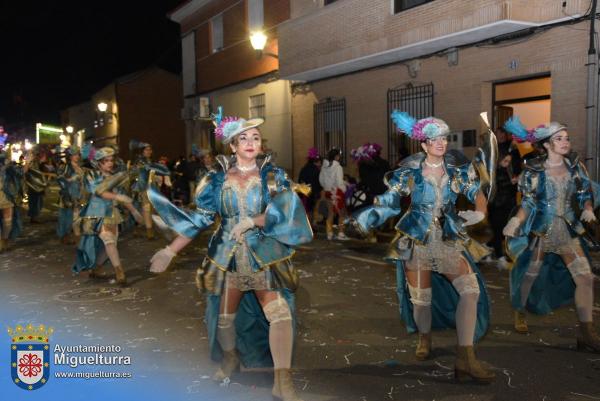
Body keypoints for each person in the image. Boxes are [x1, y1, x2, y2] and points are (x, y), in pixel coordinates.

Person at [148, 110, 312, 401]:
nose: (250, 142)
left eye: (255, 138)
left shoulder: (273, 176)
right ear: (233, 146)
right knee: (225, 319)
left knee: (280, 315)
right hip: (227, 258)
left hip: (263, 254)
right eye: (243, 138)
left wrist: (254, 221)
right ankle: (230, 358)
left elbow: (285, 211)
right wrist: (169, 250)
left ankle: (282, 380)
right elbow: (199, 219)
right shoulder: (214, 180)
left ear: (261, 145)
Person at [353, 111, 496, 383]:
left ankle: (465, 357)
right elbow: (389, 201)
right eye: (434, 139)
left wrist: (480, 212)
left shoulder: (458, 168)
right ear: (424, 145)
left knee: (470, 290)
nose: (441, 143)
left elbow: (476, 192)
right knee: (421, 304)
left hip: (448, 240)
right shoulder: (409, 172)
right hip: (416, 241)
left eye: (444, 137)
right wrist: (365, 219)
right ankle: (424, 336)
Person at [502, 117, 600, 352]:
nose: (565, 142)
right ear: (546, 144)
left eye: (567, 138)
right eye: (559, 139)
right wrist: (516, 220)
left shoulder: (575, 166)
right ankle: (520, 311)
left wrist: (587, 209)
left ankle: (586, 332)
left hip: (567, 231)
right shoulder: (533, 171)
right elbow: (528, 203)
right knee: (531, 274)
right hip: (543, 231)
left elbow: (585, 191)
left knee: (585, 278)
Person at [73, 147, 142, 286]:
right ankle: (119, 272)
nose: (110, 163)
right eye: (106, 161)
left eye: (111, 160)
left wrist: (134, 211)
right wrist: (118, 196)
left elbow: (125, 197)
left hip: (111, 213)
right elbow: (99, 192)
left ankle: (97, 268)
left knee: (110, 245)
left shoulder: (115, 177)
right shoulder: (91, 176)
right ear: (99, 163)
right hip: (95, 213)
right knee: (109, 240)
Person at [129, 141, 170, 240]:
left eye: (150, 149)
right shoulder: (140, 161)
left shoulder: (149, 161)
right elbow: (139, 173)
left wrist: (157, 177)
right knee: (146, 209)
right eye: (147, 149)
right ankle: (149, 233)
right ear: (142, 151)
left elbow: (152, 173)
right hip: (143, 188)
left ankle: (141, 229)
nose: (149, 151)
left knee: (150, 210)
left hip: (151, 188)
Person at [487, 147, 518, 267]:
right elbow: (499, 185)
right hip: (497, 205)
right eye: (505, 161)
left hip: (506, 205)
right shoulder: (494, 171)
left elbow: (510, 188)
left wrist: (514, 182)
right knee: (498, 230)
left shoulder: (506, 170)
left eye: (509, 161)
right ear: (499, 159)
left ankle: (489, 252)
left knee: (501, 231)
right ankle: (499, 255)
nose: (507, 164)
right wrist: (512, 182)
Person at [56, 146, 85, 245]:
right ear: (70, 156)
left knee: (77, 217)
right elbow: (60, 180)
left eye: (77, 154)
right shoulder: (65, 167)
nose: (76, 156)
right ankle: (67, 236)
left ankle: (76, 237)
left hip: (79, 195)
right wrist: (70, 180)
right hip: (68, 195)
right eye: (74, 155)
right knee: (67, 217)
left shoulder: (80, 167)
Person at [319, 148, 349, 240]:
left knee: (330, 213)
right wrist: (344, 188)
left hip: (328, 191)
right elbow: (339, 181)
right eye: (339, 156)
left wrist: (327, 187)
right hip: (337, 192)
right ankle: (341, 233)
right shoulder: (338, 167)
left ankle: (329, 233)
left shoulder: (324, 167)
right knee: (342, 214)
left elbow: (321, 180)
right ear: (336, 156)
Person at [0, 147, 22, 252]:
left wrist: (28, 161)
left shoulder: (9, 167)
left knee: (8, 221)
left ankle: (4, 240)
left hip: (6, 196)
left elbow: (20, 174)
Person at [24, 147, 48, 224]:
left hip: (37, 186)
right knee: (34, 202)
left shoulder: (36, 162)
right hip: (32, 186)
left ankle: (34, 217)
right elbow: (25, 171)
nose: (33, 155)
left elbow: (41, 162)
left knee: (38, 202)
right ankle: (33, 218)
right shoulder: (30, 162)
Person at [298, 147, 322, 220]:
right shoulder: (315, 170)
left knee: (305, 211)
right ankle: (310, 228)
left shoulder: (304, 168)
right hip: (311, 193)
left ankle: (308, 227)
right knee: (310, 211)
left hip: (302, 192)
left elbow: (300, 180)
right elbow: (316, 183)